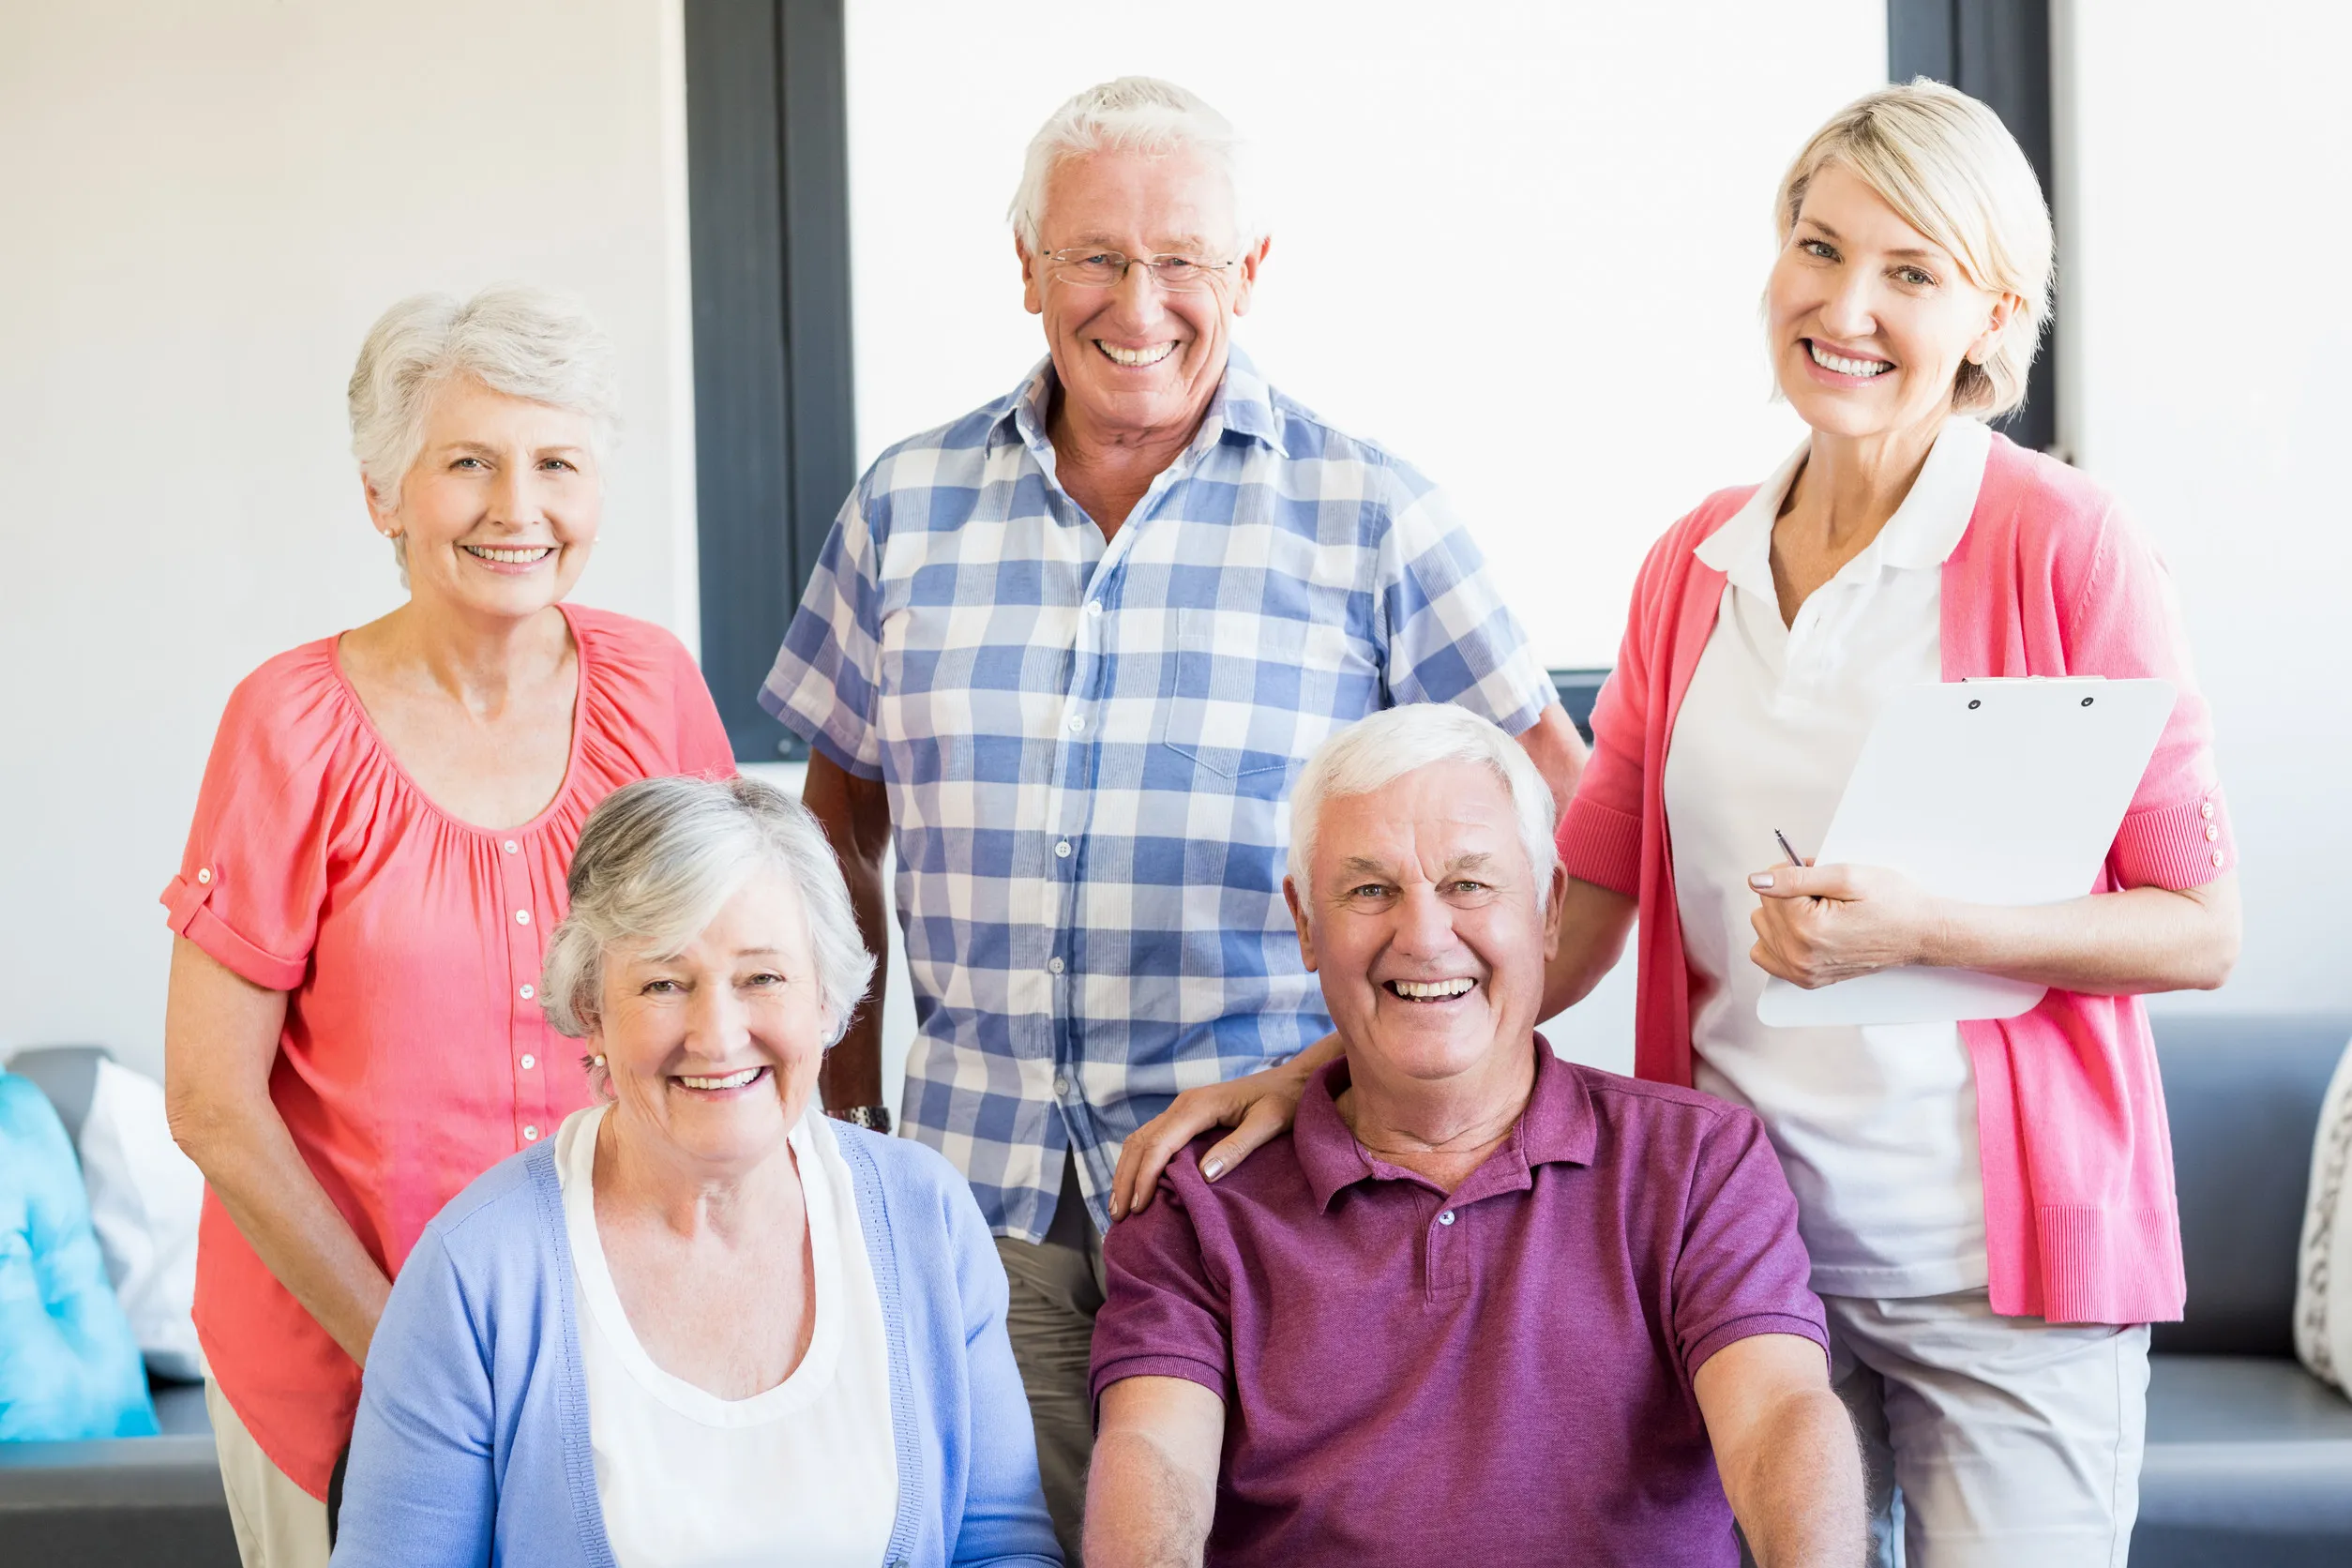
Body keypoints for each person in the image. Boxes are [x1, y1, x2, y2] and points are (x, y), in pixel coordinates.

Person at [1115, 81, 2240, 1567]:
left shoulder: (2062, 540)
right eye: (1819, 247)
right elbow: (1569, 910)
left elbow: (2199, 922)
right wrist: (1323, 1067)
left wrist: (1919, 929)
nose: (1846, 304)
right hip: (1745, 1261)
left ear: (1993, 313)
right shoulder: (1691, 566)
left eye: (1911, 273)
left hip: (1996, 1273)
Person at [758, 74, 1581, 1558]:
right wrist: (837, 1124)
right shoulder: (905, 508)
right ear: (1027, 268)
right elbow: (834, 838)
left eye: (1183, 259)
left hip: (1276, 1208)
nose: (1140, 300)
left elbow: (1562, 848)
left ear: (1249, 274)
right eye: (1095, 256)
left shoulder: (1371, 515)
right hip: (972, 1210)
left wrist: (1338, 1061)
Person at [162, 285, 735, 1568]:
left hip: (615, 1351)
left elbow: (717, 1015)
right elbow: (211, 1104)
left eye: (556, 464)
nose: (516, 507)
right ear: (383, 494)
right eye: (466, 462)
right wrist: (423, 1358)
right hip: (340, 1358)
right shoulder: (289, 724)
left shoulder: (656, 691)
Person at [1084, 705, 1862, 1567]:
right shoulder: (1198, 1198)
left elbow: (1779, 1415)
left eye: (1470, 885)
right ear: (1307, 924)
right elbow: (1156, 1455)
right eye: (1370, 889)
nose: (1423, 937)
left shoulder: (1698, 1165)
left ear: (1549, 908)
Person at [331, 776, 1060, 1567]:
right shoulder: (476, 1270)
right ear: (591, 1009)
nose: (717, 1037)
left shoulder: (927, 1216)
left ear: (826, 998)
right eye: (663, 983)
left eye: (763, 977)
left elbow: (1000, 1546)